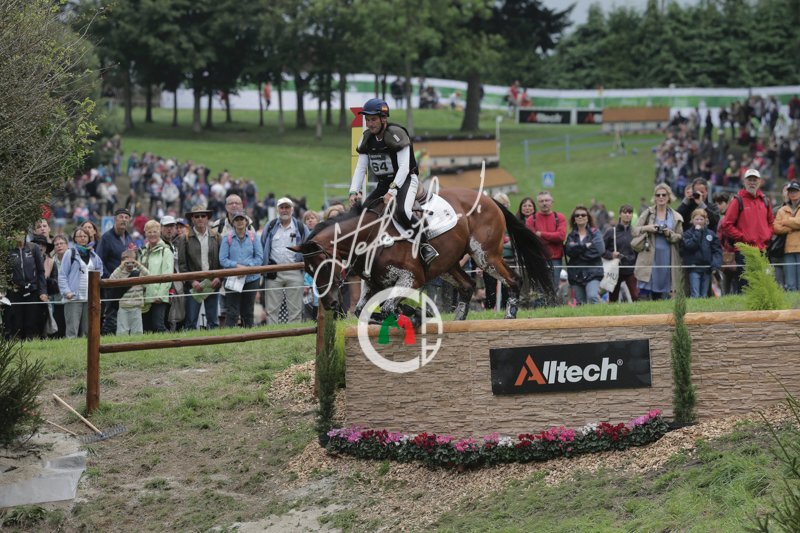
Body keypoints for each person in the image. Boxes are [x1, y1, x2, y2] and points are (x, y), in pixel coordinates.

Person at [347, 98, 438, 265]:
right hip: (384, 183)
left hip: (405, 180)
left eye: (373, 119)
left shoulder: (397, 134)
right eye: (367, 120)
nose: (370, 124)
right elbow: (361, 168)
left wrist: (392, 191)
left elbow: (404, 167)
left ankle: (425, 245)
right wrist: (353, 191)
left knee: (403, 211)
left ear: (383, 118)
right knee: (365, 214)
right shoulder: (366, 138)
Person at [718, 169, 774, 294]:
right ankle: (743, 306)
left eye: (755, 180)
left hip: (762, 249)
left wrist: (767, 235)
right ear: (744, 182)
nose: (752, 183)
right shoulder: (737, 200)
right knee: (744, 285)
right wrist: (742, 237)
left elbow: (771, 222)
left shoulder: (765, 201)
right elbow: (726, 224)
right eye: (749, 180)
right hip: (744, 250)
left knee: (760, 283)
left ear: (760, 182)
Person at [632, 184, 684, 300]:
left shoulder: (675, 216)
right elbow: (634, 231)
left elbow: (680, 236)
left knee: (662, 290)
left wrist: (669, 234)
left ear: (669, 197)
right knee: (645, 287)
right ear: (654, 197)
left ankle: (660, 305)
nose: (661, 197)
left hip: (667, 256)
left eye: (664, 195)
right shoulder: (647, 213)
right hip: (649, 254)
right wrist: (648, 228)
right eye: (658, 195)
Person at [261, 197, 306, 324]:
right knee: (271, 310)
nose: (284, 210)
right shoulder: (270, 226)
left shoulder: (300, 227)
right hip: (273, 271)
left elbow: (308, 246)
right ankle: (272, 334)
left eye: (287, 207)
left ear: (292, 210)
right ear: (278, 210)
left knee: (296, 309)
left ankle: (294, 333)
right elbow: (263, 243)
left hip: (295, 270)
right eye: (282, 207)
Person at [179, 205, 222, 329]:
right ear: (192, 219)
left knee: (213, 322)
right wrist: (192, 281)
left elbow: (222, 261)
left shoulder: (216, 236)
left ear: (207, 218)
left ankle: (215, 342)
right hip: (194, 285)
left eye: (203, 216)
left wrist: (219, 278)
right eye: (197, 216)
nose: (200, 218)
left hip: (212, 283)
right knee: (191, 322)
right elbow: (182, 264)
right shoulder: (185, 238)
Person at [220, 210, 264, 327]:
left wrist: (246, 268)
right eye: (237, 220)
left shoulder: (254, 236)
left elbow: (259, 257)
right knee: (232, 312)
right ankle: (229, 336)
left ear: (246, 221)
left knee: (248, 311)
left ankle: (249, 335)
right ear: (233, 222)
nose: (239, 222)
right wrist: (237, 266)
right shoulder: (227, 237)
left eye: (242, 219)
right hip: (232, 279)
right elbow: (223, 260)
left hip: (251, 279)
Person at [58, 228, 103, 338]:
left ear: (88, 238)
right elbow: (62, 275)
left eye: (85, 236)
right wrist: (66, 292)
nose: (82, 238)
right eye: (79, 236)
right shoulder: (70, 253)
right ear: (75, 239)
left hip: (90, 298)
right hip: (73, 297)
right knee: (72, 331)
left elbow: (100, 272)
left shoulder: (94, 255)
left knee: (88, 331)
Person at [3, 231, 48, 340]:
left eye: (21, 232)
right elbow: (3, 272)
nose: (19, 235)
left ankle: (32, 342)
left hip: (32, 290)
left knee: (31, 321)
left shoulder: (34, 248)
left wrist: (43, 291)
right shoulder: (8, 249)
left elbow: (40, 272)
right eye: (16, 232)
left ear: (25, 234)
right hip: (15, 290)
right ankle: (16, 343)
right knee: (16, 323)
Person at [96, 208, 134, 334]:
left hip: (127, 283)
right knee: (111, 316)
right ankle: (105, 339)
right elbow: (99, 261)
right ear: (115, 219)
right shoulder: (106, 238)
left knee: (123, 315)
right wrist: (109, 279)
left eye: (126, 217)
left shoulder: (129, 238)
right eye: (121, 217)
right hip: (111, 284)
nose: (124, 220)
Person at [525, 191, 567, 289]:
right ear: (538, 203)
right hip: (538, 258)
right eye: (541, 201)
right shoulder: (531, 220)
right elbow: (531, 240)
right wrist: (552, 237)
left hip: (555, 259)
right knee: (539, 288)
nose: (544, 203)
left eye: (547, 200)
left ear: (552, 202)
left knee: (553, 287)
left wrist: (541, 234)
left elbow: (561, 236)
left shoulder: (559, 217)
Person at [564, 206, 605, 304]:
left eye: (583, 215)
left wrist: (577, 250)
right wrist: (585, 246)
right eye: (577, 215)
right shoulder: (571, 236)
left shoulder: (595, 233)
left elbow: (599, 251)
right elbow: (569, 251)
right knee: (580, 303)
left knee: (592, 297)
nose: (580, 217)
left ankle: (602, 313)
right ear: (574, 219)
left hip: (593, 273)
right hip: (575, 274)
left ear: (588, 218)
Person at [140, 220, 174, 333]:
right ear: (145, 233)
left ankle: (173, 342)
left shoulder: (166, 251)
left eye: (155, 231)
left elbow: (168, 275)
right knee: (146, 328)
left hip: (158, 296)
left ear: (159, 232)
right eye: (149, 232)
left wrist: (161, 295)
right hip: (144, 296)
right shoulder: (143, 251)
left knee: (158, 325)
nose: (152, 234)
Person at [680, 209, 722, 298]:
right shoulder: (687, 234)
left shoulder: (711, 234)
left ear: (705, 220)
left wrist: (715, 265)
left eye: (701, 219)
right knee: (695, 294)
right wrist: (697, 232)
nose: (699, 221)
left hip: (707, 269)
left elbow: (717, 251)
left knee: (704, 295)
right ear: (692, 220)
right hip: (693, 268)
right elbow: (691, 246)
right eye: (697, 219)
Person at [602, 204, 639, 302]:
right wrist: (611, 255)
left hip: (631, 269)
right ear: (620, 214)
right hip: (614, 269)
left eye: (630, 212)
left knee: (635, 296)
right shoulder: (610, 232)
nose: (627, 215)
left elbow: (638, 250)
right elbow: (601, 250)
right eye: (625, 212)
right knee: (613, 299)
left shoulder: (635, 232)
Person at [109, 249, 149, 335]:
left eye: (132, 262)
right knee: (122, 331)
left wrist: (139, 265)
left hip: (137, 306)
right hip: (123, 306)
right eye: (127, 262)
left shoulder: (139, 273)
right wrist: (121, 267)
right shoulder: (120, 273)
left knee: (137, 331)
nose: (130, 264)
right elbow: (110, 280)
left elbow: (149, 277)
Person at [773, 181, 800, 291]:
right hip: (788, 249)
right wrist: (793, 227)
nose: (793, 193)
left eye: (795, 191)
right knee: (790, 284)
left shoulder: (782, 212)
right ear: (788, 194)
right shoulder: (781, 210)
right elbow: (776, 228)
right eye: (791, 191)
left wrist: (785, 221)